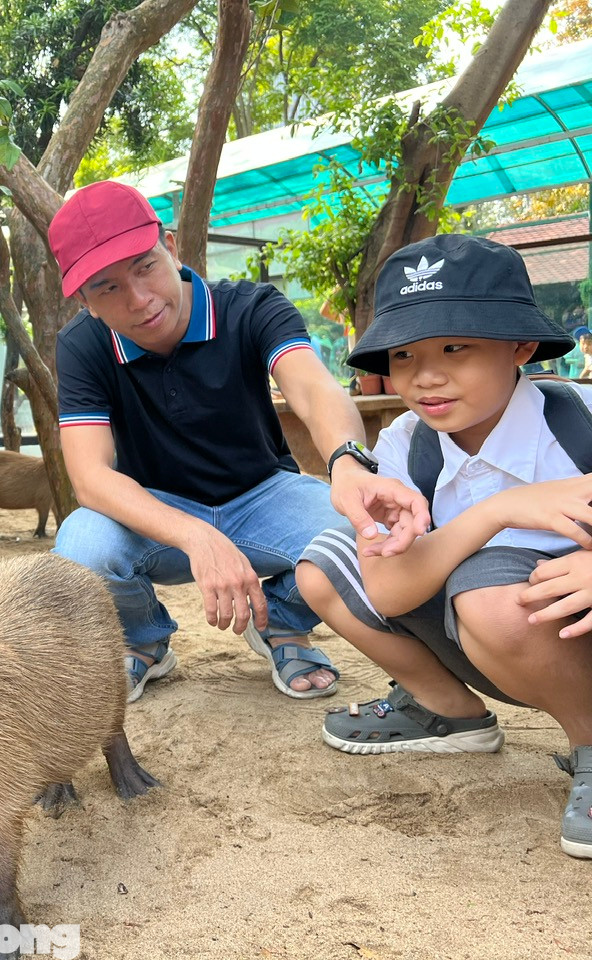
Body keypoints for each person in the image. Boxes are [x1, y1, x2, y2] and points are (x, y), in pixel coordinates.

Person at [46, 180, 428, 703]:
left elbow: (315, 391)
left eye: (145, 266)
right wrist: (198, 538)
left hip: (262, 495)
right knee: (81, 547)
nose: (139, 300)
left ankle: (283, 623)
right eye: (107, 288)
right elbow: (90, 476)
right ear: (86, 302)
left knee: (364, 528)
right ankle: (142, 642)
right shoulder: (82, 347)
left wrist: (347, 462)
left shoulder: (252, 307)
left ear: (172, 248)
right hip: (155, 510)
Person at [295, 233, 592, 860]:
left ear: (521, 345)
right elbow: (388, 590)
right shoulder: (409, 444)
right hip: (501, 641)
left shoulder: (578, 422)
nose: (426, 376)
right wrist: (498, 511)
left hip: (563, 632)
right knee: (327, 563)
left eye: (455, 347)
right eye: (403, 354)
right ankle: (448, 712)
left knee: (484, 594)